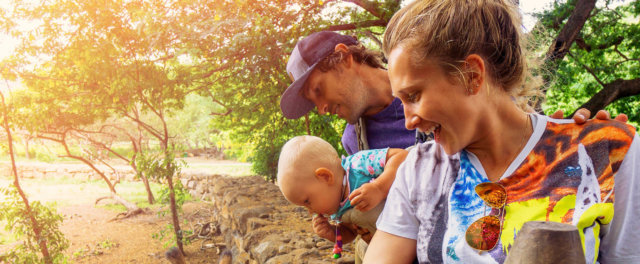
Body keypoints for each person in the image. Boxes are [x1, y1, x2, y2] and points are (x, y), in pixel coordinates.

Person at [364, 0, 640, 263]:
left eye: (413, 95)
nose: (408, 121)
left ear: (472, 75)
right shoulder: (420, 169)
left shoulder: (605, 151)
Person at [276, 136, 408, 254]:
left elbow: (402, 156)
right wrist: (332, 232)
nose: (310, 212)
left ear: (325, 177)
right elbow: (351, 233)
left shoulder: (358, 165)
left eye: (307, 201)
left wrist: (379, 187)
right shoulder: (337, 207)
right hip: (393, 242)